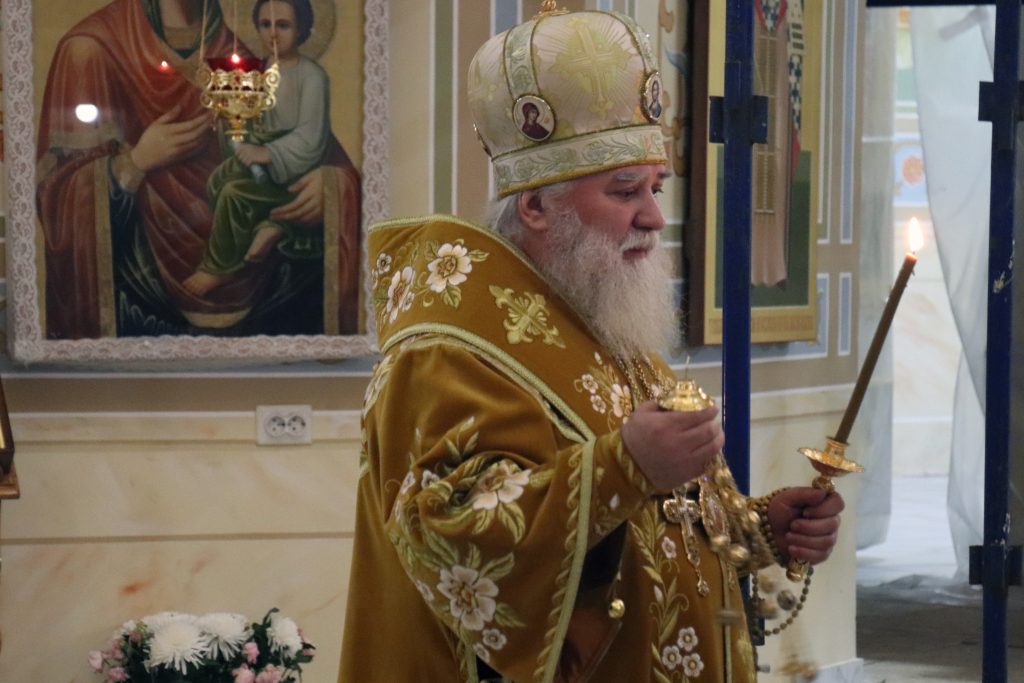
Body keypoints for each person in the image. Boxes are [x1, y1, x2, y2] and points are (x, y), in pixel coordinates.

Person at [340, 6, 844, 682]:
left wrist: (757, 528)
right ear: (535, 206)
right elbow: (446, 537)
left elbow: (657, 517)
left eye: (655, 187)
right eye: (624, 190)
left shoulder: (601, 321)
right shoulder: (448, 350)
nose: (654, 216)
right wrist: (623, 466)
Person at [36, 0, 361, 338]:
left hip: (269, 300)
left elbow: (313, 144)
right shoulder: (91, 48)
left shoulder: (240, 51)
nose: (273, 32)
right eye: (268, 25)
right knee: (227, 185)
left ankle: (263, 233)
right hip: (139, 298)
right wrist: (134, 163)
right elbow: (58, 195)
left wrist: (332, 186)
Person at [183, 0, 332, 297]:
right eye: (266, 25)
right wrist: (230, 120)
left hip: (292, 173)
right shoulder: (254, 73)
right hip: (258, 161)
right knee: (218, 179)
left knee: (233, 194)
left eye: (283, 25)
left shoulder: (311, 76)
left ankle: (219, 267)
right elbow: (244, 119)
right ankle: (268, 223)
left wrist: (268, 153)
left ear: (301, 29)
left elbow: (311, 136)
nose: (273, 33)